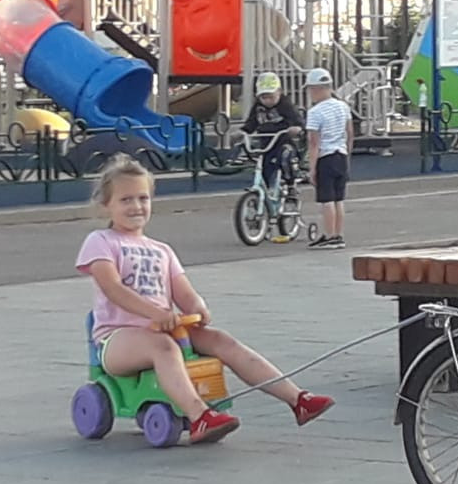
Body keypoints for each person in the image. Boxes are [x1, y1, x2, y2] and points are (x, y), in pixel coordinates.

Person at [75, 154, 335, 444]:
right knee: (163, 347)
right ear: (106, 205)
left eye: (143, 198)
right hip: (118, 338)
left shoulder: (161, 250)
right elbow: (113, 288)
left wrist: (197, 307)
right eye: (126, 200)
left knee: (221, 340)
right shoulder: (101, 241)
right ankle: (199, 415)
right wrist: (154, 313)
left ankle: (297, 399)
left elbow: (182, 290)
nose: (136, 206)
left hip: (166, 328)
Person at [304, 67, 352, 250]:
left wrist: (312, 168)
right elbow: (350, 133)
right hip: (341, 155)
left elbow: (313, 142)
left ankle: (330, 235)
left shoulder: (315, 112)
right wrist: (347, 155)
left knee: (327, 199)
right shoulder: (343, 106)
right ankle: (338, 234)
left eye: (311, 89)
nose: (310, 93)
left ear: (317, 89)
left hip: (326, 157)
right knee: (339, 199)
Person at [240, 72, 303, 195]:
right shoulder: (258, 107)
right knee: (263, 165)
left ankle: (291, 184)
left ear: (279, 92)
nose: (268, 101)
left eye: (271, 97)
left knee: (285, 157)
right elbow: (251, 123)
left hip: (282, 141)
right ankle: (264, 188)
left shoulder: (285, 105)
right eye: (264, 98)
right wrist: (243, 131)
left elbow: (297, 119)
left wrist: (297, 127)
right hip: (266, 143)